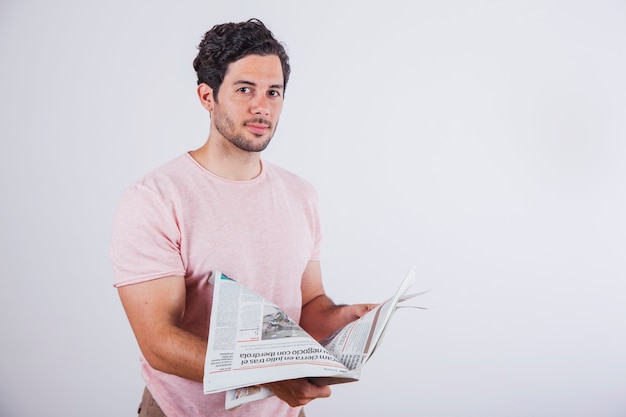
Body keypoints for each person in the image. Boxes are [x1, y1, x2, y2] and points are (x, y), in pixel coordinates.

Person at [110, 18, 375, 417]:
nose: (261, 106)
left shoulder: (300, 195)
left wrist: (344, 318)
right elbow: (159, 342)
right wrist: (267, 373)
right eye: (244, 89)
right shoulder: (156, 198)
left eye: (273, 92)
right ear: (207, 96)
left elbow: (308, 306)